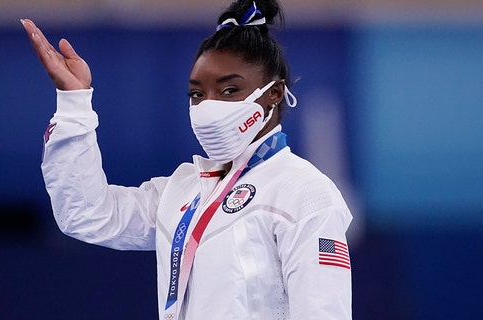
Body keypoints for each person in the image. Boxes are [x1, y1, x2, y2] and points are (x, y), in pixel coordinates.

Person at [22, 0, 352, 319]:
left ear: (274, 93)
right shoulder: (183, 190)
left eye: (228, 91)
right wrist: (74, 103)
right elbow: (86, 215)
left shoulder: (305, 192)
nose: (207, 107)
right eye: (197, 93)